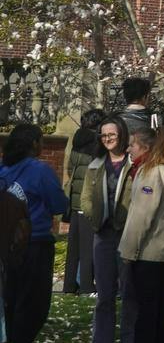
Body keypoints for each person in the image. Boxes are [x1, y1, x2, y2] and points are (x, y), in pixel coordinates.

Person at [1, 123, 69, 343]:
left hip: (6, 243)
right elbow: (58, 204)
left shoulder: (3, 169)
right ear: (34, 144)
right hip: (35, 241)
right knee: (33, 301)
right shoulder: (40, 170)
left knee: (8, 297)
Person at [117, 125, 164, 343]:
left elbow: (141, 217)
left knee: (146, 306)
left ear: (144, 146)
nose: (129, 149)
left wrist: (129, 251)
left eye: (132, 145)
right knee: (160, 305)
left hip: (149, 249)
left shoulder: (152, 173)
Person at [80, 115, 135, 343]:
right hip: (103, 234)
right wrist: (95, 220)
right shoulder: (96, 165)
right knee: (104, 295)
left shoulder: (134, 164)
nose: (108, 139)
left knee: (129, 293)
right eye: (103, 135)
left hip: (128, 234)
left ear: (122, 135)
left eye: (112, 134)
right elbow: (86, 199)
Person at [62, 109, 106, 295]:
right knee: (88, 247)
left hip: (74, 200)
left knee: (74, 248)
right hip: (88, 200)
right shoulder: (96, 145)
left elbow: (71, 169)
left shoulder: (77, 140)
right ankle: (87, 286)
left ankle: (69, 286)